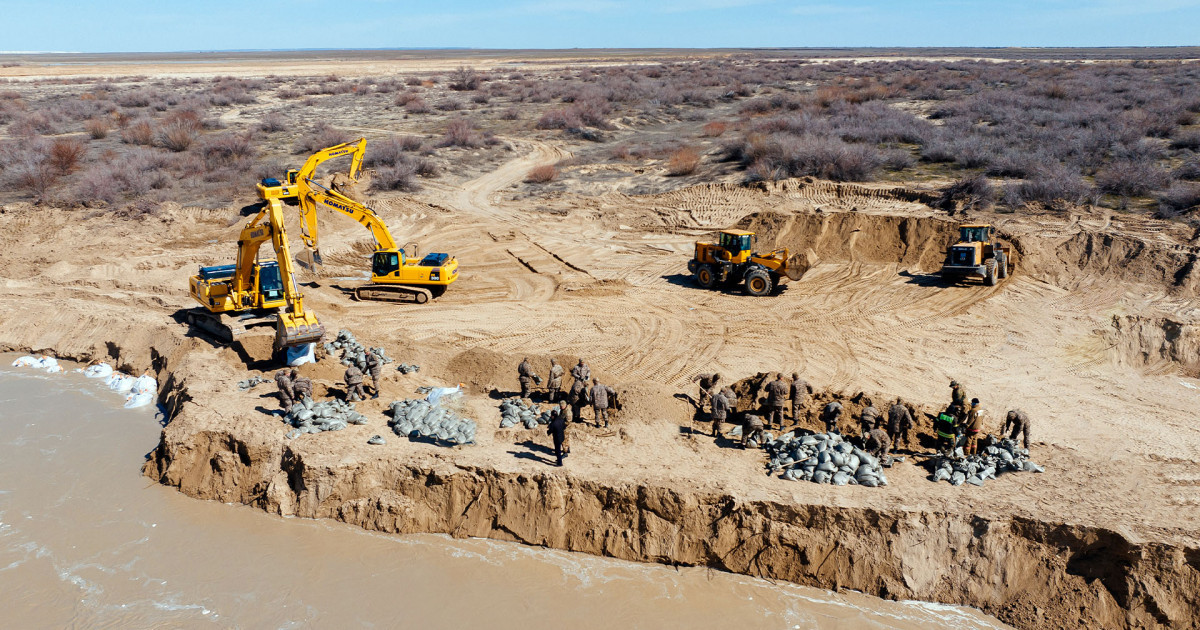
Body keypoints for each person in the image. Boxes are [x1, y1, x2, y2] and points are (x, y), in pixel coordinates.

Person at [547, 401, 568, 467]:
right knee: (559, 449)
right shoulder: (561, 419)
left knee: (558, 451)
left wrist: (548, 431)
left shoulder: (553, 424)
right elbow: (564, 427)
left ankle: (560, 463)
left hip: (557, 438)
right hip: (562, 437)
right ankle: (561, 457)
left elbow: (550, 431)